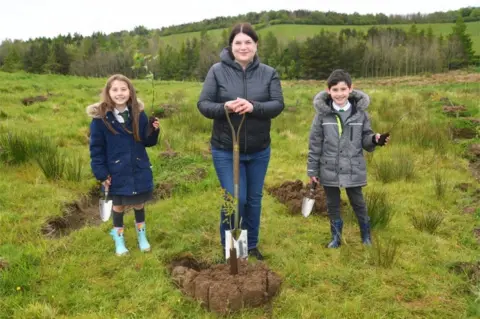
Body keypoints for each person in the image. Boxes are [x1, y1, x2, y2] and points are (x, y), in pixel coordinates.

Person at [197, 23, 285, 260]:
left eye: (248, 42)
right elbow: (204, 104)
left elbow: (277, 105)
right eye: (238, 42)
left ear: (256, 45)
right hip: (226, 149)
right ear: (231, 46)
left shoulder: (269, 73)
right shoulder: (217, 71)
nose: (243, 47)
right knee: (235, 199)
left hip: (259, 150)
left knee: (254, 200)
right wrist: (224, 106)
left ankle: (251, 246)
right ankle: (231, 248)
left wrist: (253, 107)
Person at [307, 69, 389, 248]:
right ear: (328, 91)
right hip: (329, 168)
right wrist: (312, 170)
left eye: (343, 89)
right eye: (335, 90)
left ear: (351, 89)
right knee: (333, 204)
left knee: (358, 203)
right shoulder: (322, 115)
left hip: (354, 167)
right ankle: (335, 238)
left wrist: (375, 139)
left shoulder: (361, 114)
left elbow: (366, 140)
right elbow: (315, 143)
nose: (339, 94)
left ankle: (366, 236)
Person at [87, 74, 160, 256]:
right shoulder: (100, 120)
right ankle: (119, 241)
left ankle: (142, 237)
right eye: (115, 89)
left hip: (138, 168)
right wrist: (101, 173)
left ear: (130, 92)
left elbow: (147, 141)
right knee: (118, 206)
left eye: (123, 89)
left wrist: (153, 130)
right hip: (116, 172)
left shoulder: (138, 114)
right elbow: (96, 149)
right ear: (108, 92)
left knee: (139, 204)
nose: (119, 93)